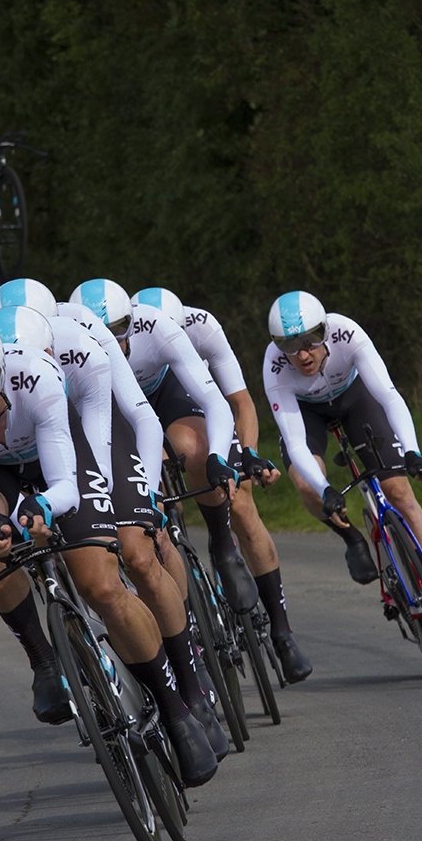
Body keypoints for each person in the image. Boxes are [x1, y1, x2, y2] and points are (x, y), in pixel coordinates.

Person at [0, 312, 219, 786]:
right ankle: (43, 659)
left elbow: (65, 488)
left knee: (101, 586)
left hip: (60, 461)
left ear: (1, 373)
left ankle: (177, 712)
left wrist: (38, 509)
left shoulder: (35, 377)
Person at [0, 282, 228, 759]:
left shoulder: (83, 340)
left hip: (95, 442)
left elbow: (138, 420)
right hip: (20, 453)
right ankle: (54, 657)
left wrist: (145, 498)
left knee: (139, 553)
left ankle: (190, 684)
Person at [263, 291, 422, 644]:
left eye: (311, 342)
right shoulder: (275, 366)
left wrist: (412, 452)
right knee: (305, 483)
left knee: (400, 494)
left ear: (324, 331)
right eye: (289, 345)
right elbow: (296, 441)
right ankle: (352, 538)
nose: (302, 354)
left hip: (354, 400)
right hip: (307, 414)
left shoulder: (347, 333)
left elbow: (389, 395)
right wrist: (324, 489)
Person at [133, 286, 312, 684]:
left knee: (240, 499)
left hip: (178, 392)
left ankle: (281, 632)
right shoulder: (121, 340)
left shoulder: (202, 328)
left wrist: (246, 454)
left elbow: (240, 402)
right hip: (128, 405)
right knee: (157, 513)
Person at [69, 279, 259, 617]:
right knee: (147, 499)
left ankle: (222, 544)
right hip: (113, 408)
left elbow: (216, 400)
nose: (114, 341)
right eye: (102, 334)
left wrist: (217, 456)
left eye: (121, 329)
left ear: (133, 320)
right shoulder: (77, 356)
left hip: (160, 394)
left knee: (195, 449)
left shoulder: (154, 326)